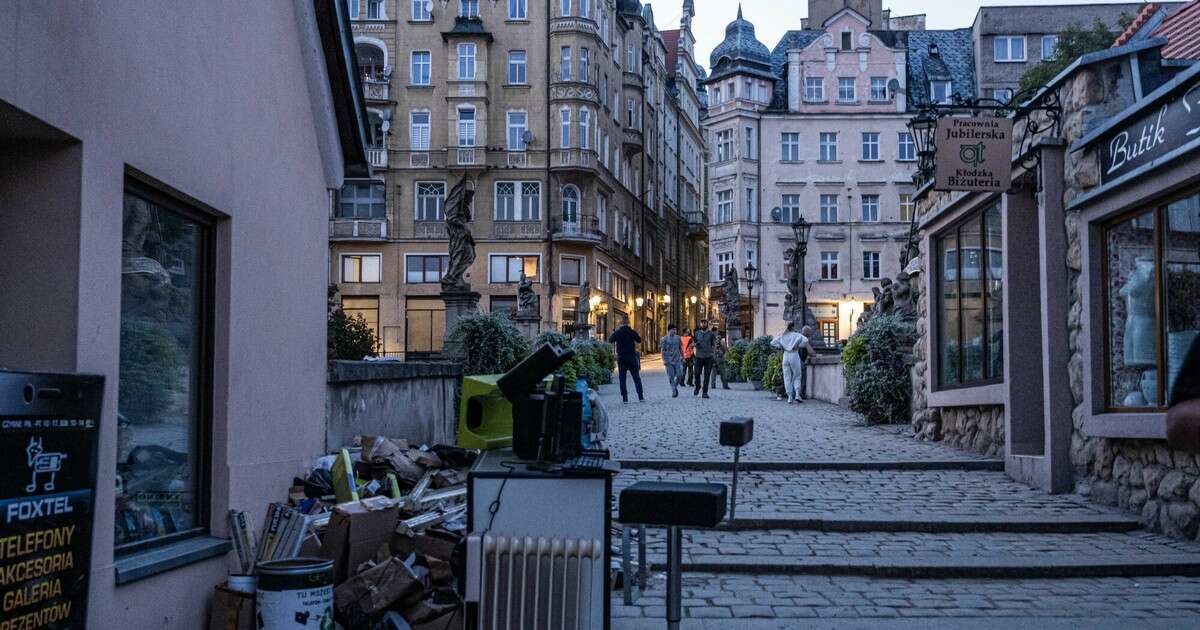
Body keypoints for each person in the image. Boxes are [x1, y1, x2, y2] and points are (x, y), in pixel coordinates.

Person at [772, 322, 816, 404]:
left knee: (787, 377)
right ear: (793, 327)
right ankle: (797, 395)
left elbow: (773, 342)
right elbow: (806, 341)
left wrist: (782, 346)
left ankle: (789, 397)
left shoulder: (782, 336)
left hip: (785, 356)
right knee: (797, 376)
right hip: (794, 354)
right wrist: (797, 345)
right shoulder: (797, 335)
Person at [608, 317, 644, 403]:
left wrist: (616, 334)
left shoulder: (618, 332)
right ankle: (640, 397)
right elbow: (639, 340)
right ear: (628, 323)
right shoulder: (631, 332)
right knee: (636, 377)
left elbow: (610, 340)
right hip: (631, 357)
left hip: (621, 357)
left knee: (622, 378)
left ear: (620, 323)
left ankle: (625, 398)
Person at [691, 319, 718, 398]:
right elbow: (694, 342)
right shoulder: (697, 333)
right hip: (699, 356)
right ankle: (697, 386)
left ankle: (705, 392)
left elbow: (714, 344)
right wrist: (694, 345)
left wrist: (713, 352)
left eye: (705, 323)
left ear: (707, 324)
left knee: (707, 375)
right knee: (696, 373)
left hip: (708, 357)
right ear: (700, 324)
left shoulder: (711, 334)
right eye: (702, 323)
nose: (703, 324)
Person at [659, 324, 685, 398]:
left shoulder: (678, 338)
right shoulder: (664, 339)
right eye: (673, 329)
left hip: (677, 360)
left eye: (675, 329)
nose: (675, 331)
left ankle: (675, 387)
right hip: (668, 361)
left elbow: (680, 348)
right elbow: (662, 350)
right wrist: (664, 360)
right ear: (669, 330)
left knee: (680, 375)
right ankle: (674, 391)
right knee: (671, 377)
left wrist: (682, 357)